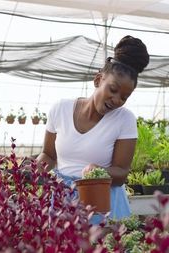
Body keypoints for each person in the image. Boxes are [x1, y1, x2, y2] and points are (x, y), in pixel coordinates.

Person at [35, 35, 149, 220]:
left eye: (124, 97)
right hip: (63, 202)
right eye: (113, 90)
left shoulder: (124, 119)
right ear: (98, 80)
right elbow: (48, 155)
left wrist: (98, 172)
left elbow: (121, 173)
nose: (117, 100)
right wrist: (32, 170)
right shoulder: (60, 109)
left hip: (103, 203)